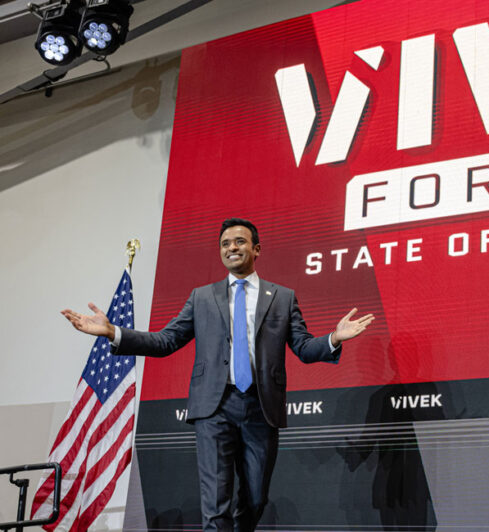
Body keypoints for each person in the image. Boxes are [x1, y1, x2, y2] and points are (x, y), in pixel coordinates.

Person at [60, 218, 373, 531]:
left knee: (255, 500)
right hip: (214, 409)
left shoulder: (282, 297)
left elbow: (304, 347)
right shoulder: (202, 297)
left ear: (256, 249)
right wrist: (113, 332)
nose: (231, 248)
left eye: (239, 241)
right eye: (225, 244)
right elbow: (166, 340)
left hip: (260, 410)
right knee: (215, 505)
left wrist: (334, 338)